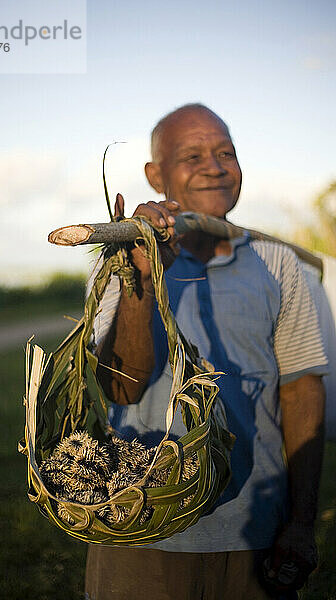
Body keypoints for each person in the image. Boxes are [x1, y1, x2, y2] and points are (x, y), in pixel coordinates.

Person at [84, 104, 327, 600]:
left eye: (226, 153)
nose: (215, 166)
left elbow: (302, 391)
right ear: (156, 175)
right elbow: (122, 387)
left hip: (251, 532)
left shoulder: (277, 264)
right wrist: (145, 278)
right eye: (191, 155)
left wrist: (301, 523)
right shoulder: (118, 264)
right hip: (138, 523)